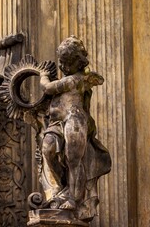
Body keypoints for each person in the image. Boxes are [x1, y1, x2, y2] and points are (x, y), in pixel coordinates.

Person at [36, 36, 111, 221]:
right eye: (61, 61)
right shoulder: (72, 78)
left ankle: (74, 197)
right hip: (56, 124)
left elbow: (48, 88)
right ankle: (56, 191)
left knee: (73, 158)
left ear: (77, 62)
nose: (62, 66)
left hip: (74, 120)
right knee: (47, 148)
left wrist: (43, 75)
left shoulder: (76, 80)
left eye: (66, 62)